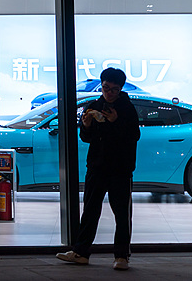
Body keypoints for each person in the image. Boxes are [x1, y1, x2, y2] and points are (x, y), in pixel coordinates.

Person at [56, 67, 141, 271]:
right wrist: (85, 125)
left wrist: (115, 121)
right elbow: (86, 138)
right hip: (97, 166)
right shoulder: (94, 106)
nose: (109, 92)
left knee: (121, 213)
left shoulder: (127, 108)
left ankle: (122, 256)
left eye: (114, 89)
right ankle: (81, 252)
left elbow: (134, 136)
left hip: (120, 168)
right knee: (90, 211)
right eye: (105, 88)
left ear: (120, 89)